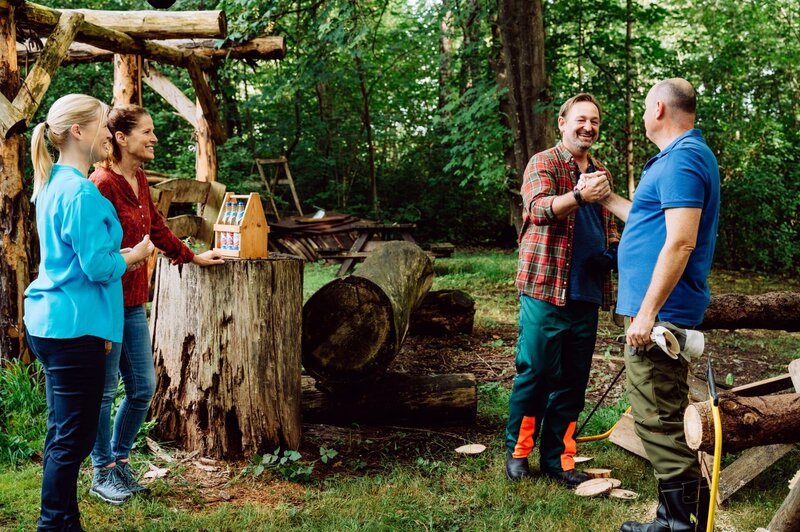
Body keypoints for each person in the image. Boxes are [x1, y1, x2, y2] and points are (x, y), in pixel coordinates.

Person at [24, 94, 154, 531]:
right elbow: (98, 267)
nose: (107, 132)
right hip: (74, 327)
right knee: (73, 439)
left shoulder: (53, 183)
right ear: (78, 131)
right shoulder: (79, 192)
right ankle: (55, 522)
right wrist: (133, 255)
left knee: (62, 431)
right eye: (102, 123)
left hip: (51, 322)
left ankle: (59, 519)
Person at [599, 78, 720, 531]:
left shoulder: (683, 160)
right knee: (663, 412)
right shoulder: (678, 159)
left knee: (655, 418)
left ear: (659, 110)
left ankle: (677, 524)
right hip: (662, 309)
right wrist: (609, 198)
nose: (644, 114)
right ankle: (685, 513)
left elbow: (682, 240)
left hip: (663, 314)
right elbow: (653, 220)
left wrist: (647, 314)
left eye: (646, 106)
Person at [88, 104, 224, 504]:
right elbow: (93, 252)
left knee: (143, 389)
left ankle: (121, 462)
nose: (154, 138)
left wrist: (191, 255)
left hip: (132, 304)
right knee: (103, 391)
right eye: (146, 132)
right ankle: (102, 471)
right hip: (105, 302)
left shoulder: (139, 177)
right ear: (121, 138)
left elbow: (157, 228)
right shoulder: (101, 183)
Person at [504, 93, 619, 488]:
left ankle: (559, 459)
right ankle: (519, 453)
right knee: (535, 373)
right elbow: (536, 208)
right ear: (563, 123)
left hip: (586, 293)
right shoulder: (544, 162)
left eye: (595, 122)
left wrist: (612, 250)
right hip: (545, 287)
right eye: (581, 120)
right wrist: (578, 196)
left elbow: (611, 224)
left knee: (573, 379)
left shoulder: (602, 172)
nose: (588, 127)